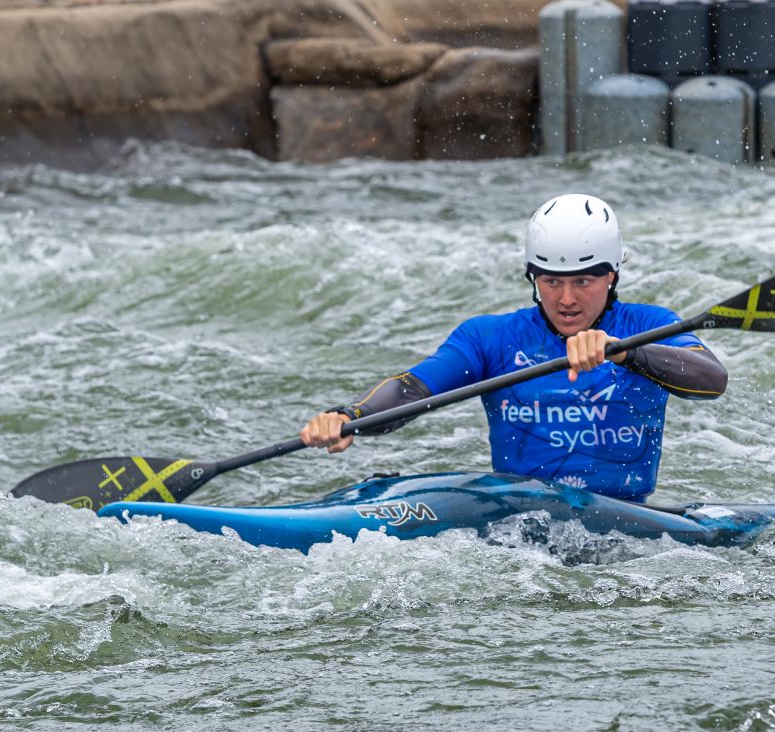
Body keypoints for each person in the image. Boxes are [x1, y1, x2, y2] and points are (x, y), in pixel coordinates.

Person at [300, 194, 728, 502]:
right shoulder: (489, 337)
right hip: (520, 526)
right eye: (551, 281)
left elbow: (711, 379)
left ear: (612, 276)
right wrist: (350, 416)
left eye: (583, 281)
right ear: (532, 277)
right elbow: (413, 390)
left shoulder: (648, 326)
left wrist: (627, 353)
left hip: (625, 521)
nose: (566, 300)